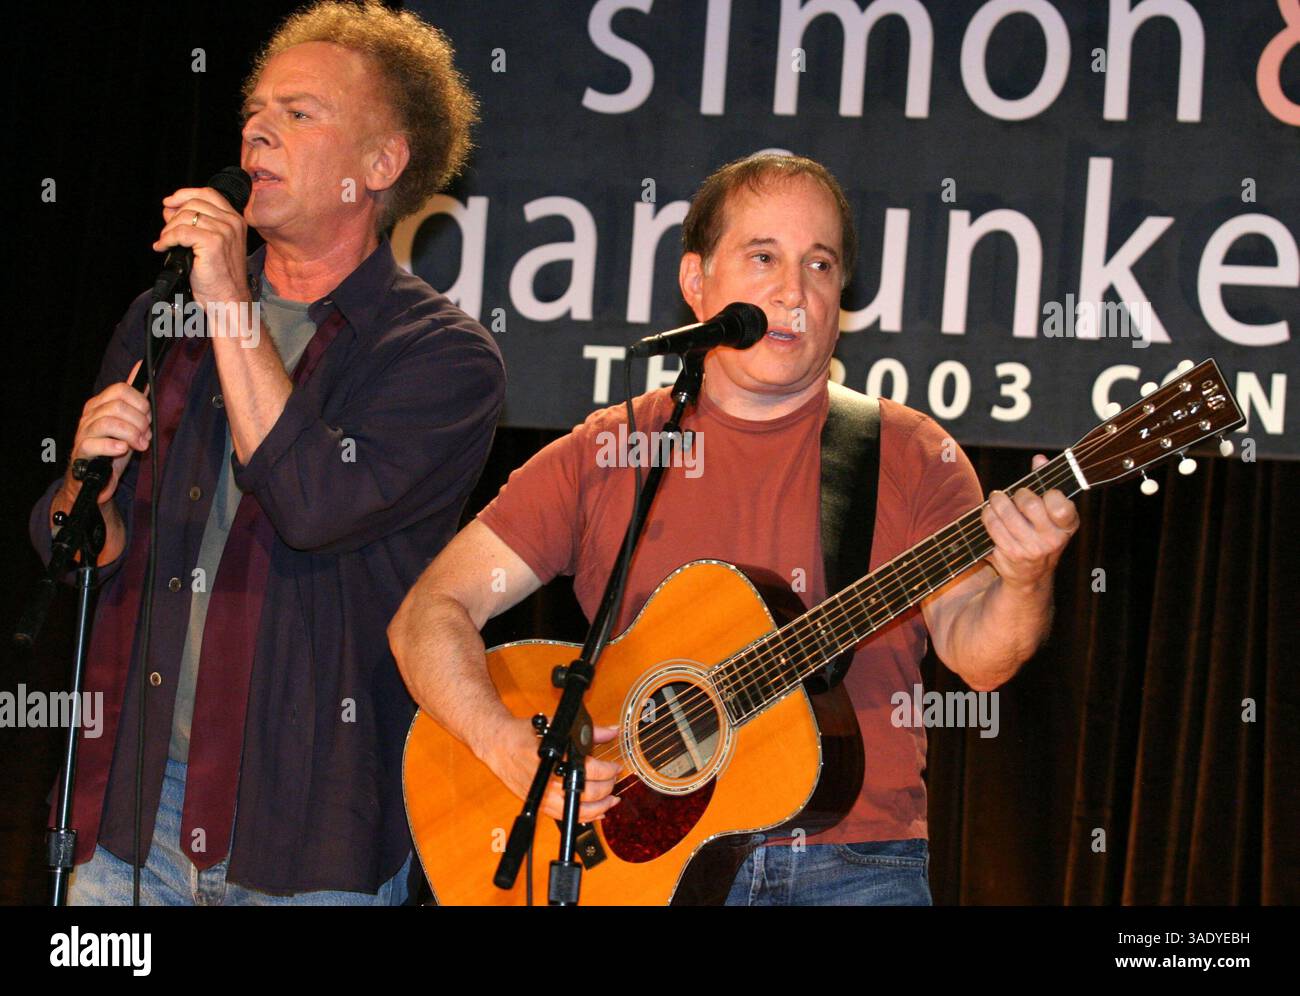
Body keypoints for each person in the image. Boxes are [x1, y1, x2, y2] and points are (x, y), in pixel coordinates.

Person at [387, 153, 1079, 906]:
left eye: (820, 265)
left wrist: (1025, 577)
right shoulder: (608, 450)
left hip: (855, 870)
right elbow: (430, 614)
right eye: (763, 257)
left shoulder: (910, 453)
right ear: (697, 283)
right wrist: (506, 744)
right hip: (636, 875)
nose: (794, 291)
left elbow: (979, 659)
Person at [28, 1, 504, 905]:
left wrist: (227, 302)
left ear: (379, 165)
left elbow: (314, 506)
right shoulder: (162, 315)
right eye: (255, 111)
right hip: (131, 808)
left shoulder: (439, 356)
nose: (257, 130)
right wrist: (87, 491)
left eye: (299, 113)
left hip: (308, 827)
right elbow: (76, 554)